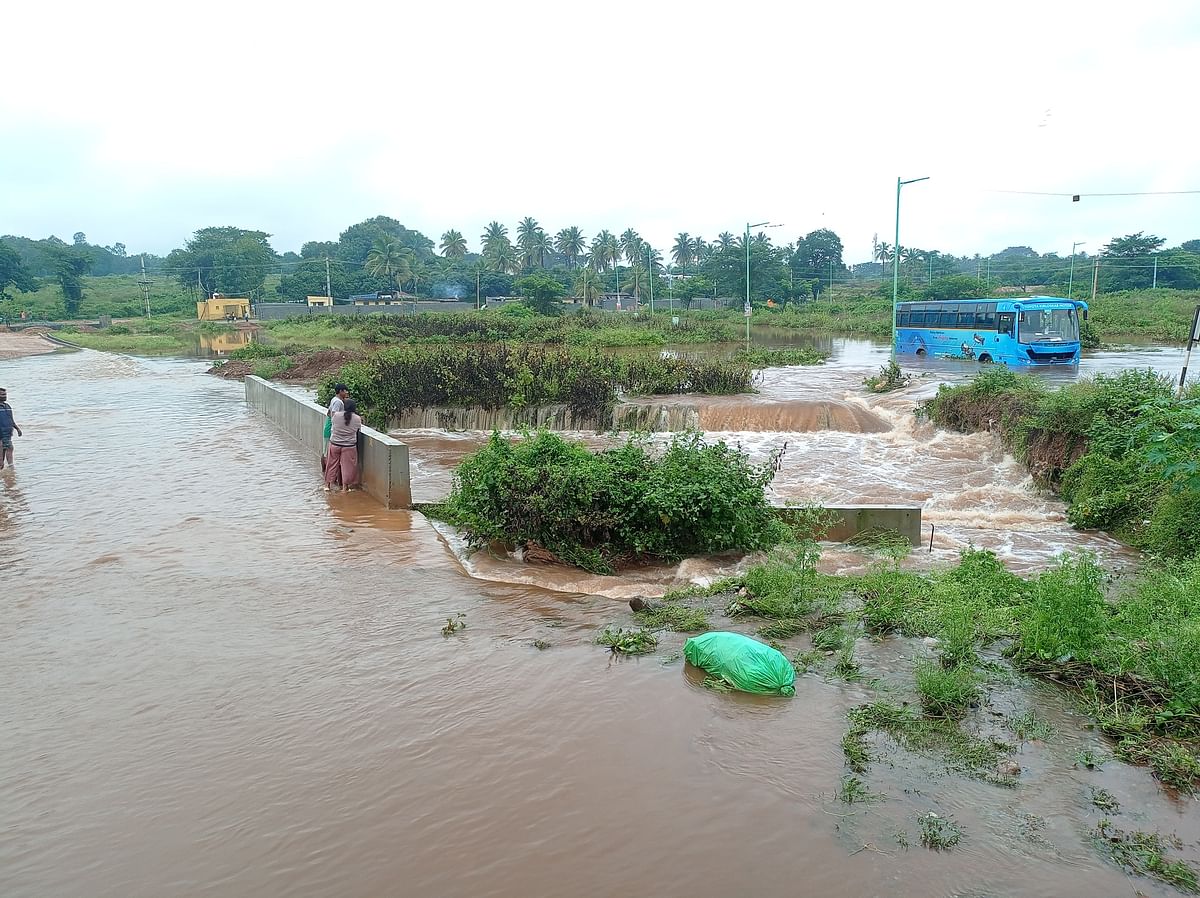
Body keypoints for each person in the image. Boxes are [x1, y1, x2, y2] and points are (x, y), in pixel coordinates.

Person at [325, 399, 361, 493]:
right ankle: (345, 488)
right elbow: (357, 430)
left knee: (331, 464)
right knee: (348, 467)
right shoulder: (357, 418)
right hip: (349, 446)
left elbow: (332, 422)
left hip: (335, 444)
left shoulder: (336, 415)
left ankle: (327, 485)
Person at [322, 383, 349, 481]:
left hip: (328, 427)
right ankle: (331, 478)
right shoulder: (339, 402)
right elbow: (334, 415)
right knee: (330, 457)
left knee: (326, 452)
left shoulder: (334, 399)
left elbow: (328, 413)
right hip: (331, 429)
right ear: (341, 391)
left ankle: (324, 474)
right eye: (345, 391)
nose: (347, 392)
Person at [0, 387, 22, 470]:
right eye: (2, 394)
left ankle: (10, 471)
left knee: (9, 449)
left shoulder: (7, 406)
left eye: (5, 394)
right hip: (1, 435)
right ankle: (7, 472)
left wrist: (17, 428)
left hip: (8, 434)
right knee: (2, 457)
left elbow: (11, 419)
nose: (5, 396)